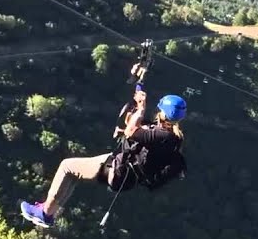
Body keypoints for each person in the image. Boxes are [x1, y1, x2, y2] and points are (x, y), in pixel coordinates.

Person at [19, 88, 187, 228]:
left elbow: (132, 131)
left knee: (66, 166)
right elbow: (134, 127)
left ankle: (45, 213)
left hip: (119, 170)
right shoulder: (173, 137)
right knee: (73, 174)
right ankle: (48, 212)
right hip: (126, 173)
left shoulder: (161, 135)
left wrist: (141, 107)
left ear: (164, 113)